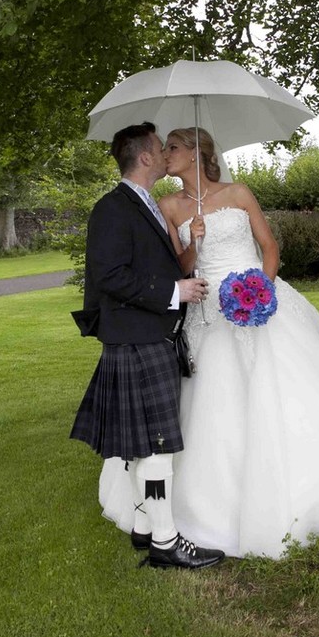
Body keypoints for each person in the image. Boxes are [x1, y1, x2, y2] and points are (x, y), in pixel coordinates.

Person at [99, 126, 319, 559]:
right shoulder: (167, 206)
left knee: (286, 388)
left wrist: (262, 289)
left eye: (174, 147)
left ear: (198, 153)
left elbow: (269, 246)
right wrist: (193, 243)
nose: (166, 154)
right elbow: (178, 267)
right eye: (163, 149)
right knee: (210, 401)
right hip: (206, 308)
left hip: (257, 296)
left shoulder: (239, 193)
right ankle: (190, 511)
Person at [70, 122, 225, 569]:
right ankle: (165, 541)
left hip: (147, 337)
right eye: (160, 148)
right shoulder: (114, 208)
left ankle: (145, 527)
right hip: (137, 339)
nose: (164, 153)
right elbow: (110, 276)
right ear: (144, 157)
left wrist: (190, 249)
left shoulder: (143, 206)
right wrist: (173, 293)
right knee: (156, 446)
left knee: (146, 443)